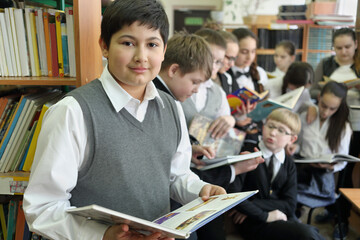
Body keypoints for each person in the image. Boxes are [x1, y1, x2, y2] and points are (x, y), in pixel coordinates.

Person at [23, 1, 226, 240]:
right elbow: (42, 208)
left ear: (163, 51)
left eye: (152, 44)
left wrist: (201, 189)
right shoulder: (72, 111)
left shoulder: (170, 106)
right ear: (105, 46)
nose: (141, 57)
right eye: (128, 43)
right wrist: (102, 234)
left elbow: (176, 176)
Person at [153, 31, 263, 189]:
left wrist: (189, 151)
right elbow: (168, 168)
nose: (197, 90)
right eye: (195, 82)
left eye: (219, 61)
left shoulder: (215, 92)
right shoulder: (163, 100)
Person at [228, 108, 325, 240]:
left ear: (292, 139)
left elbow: (290, 205)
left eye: (280, 130)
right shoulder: (248, 153)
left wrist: (253, 203)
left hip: (281, 216)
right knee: (307, 234)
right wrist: (265, 215)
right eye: (270, 126)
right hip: (254, 221)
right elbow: (234, 197)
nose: (273, 133)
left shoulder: (289, 163)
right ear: (263, 126)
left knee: (310, 233)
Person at [309, 27, 359, 239]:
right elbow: (311, 90)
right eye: (338, 48)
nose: (343, 52)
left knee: (346, 174)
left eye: (347, 47)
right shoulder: (326, 64)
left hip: (357, 125)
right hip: (333, 123)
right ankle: (331, 209)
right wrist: (327, 90)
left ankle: (342, 220)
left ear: (356, 44)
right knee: (332, 168)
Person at [294, 81, 352, 240]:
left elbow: (343, 160)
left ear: (340, 106)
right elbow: (298, 145)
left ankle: (297, 213)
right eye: (323, 105)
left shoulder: (343, 127)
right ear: (318, 97)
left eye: (332, 108)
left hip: (324, 173)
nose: (326, 112)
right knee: (287, 182)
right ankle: (294, 215)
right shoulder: (306, 116)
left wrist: (330, 166)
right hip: (302, 167)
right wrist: (293, 148)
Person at [181, 28, 236, 140]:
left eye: (218, 62)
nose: (213, 66)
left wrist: (230, 120)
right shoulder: (178, 83)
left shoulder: (218, 92)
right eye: (210, 58)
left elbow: (223, 129)